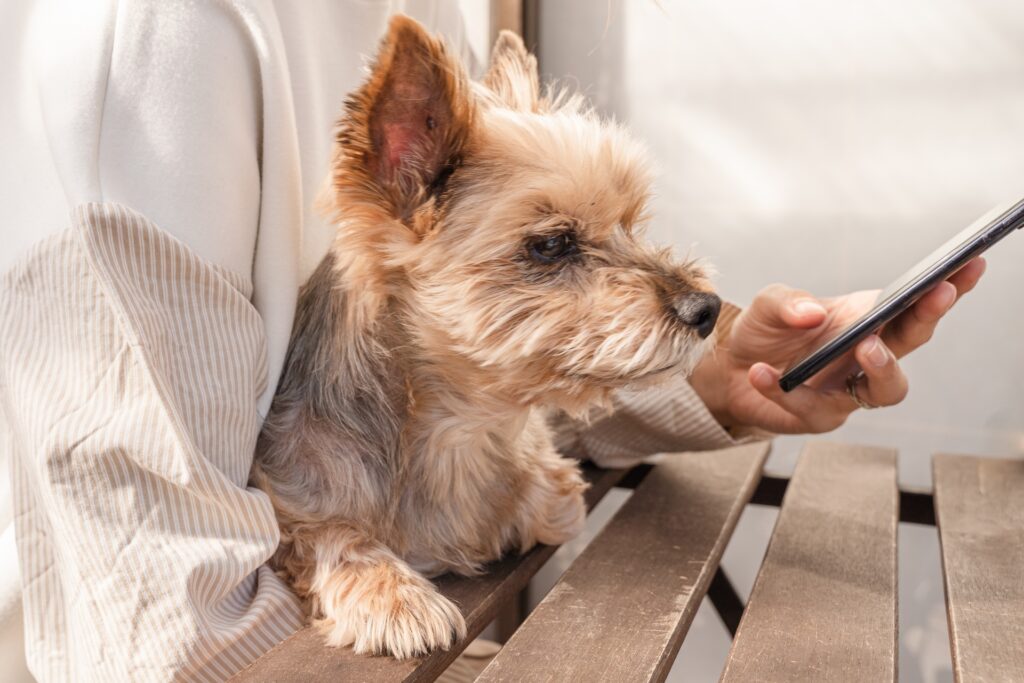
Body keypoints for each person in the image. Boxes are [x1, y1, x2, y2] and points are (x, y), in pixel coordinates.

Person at [0, 2, 984, 681]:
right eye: (558, 244)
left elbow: (456, 349)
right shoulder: (142, 50)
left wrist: (715, 380)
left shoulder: (444, 29)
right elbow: (165, 620)